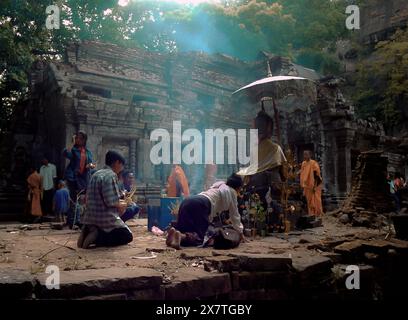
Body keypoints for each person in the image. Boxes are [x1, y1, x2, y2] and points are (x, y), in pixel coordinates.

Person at [166, 173, 244, 250]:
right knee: (202, 238)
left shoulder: (218, 186)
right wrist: (240, 232)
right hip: (201, 205)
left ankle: (174, 236)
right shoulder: (232, 192)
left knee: (187, 230)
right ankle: (180, 236)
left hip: (187, 201)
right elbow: (235, 215)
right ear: (238, 187)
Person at [77, 150, 132, 249]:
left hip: (90, 217)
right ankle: (98, 236)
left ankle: (89, 230)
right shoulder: (111, 175)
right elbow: (111, 201)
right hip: (104, 219)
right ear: (117, 163)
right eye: (121, 165)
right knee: (127, 236)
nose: (121, 169)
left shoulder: (96, 174)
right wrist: (122, 205)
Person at [63, 131, 95, 200]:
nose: (78, 140)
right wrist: (72, 142)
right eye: (77, 138)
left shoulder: (88, 152)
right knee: (72, 199)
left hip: (83, 179)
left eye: (80, 138)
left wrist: (91, 165)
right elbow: (65, 153)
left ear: (84, 140)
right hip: (72, 177)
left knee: (81, 199)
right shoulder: (73, 150)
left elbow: (90, 163)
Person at [299, 150, 323, 216]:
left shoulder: (313, 163)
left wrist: (314, 186)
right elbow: (302, 174)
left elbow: (317, 175)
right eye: (304, 154)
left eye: (306, 154)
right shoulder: (303, 163)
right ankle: (311, 214)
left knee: (316, 200)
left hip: (315, 184)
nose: (305, 156)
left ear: (310, 155)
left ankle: (318, 214)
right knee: (309, 201)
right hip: (307, 186)